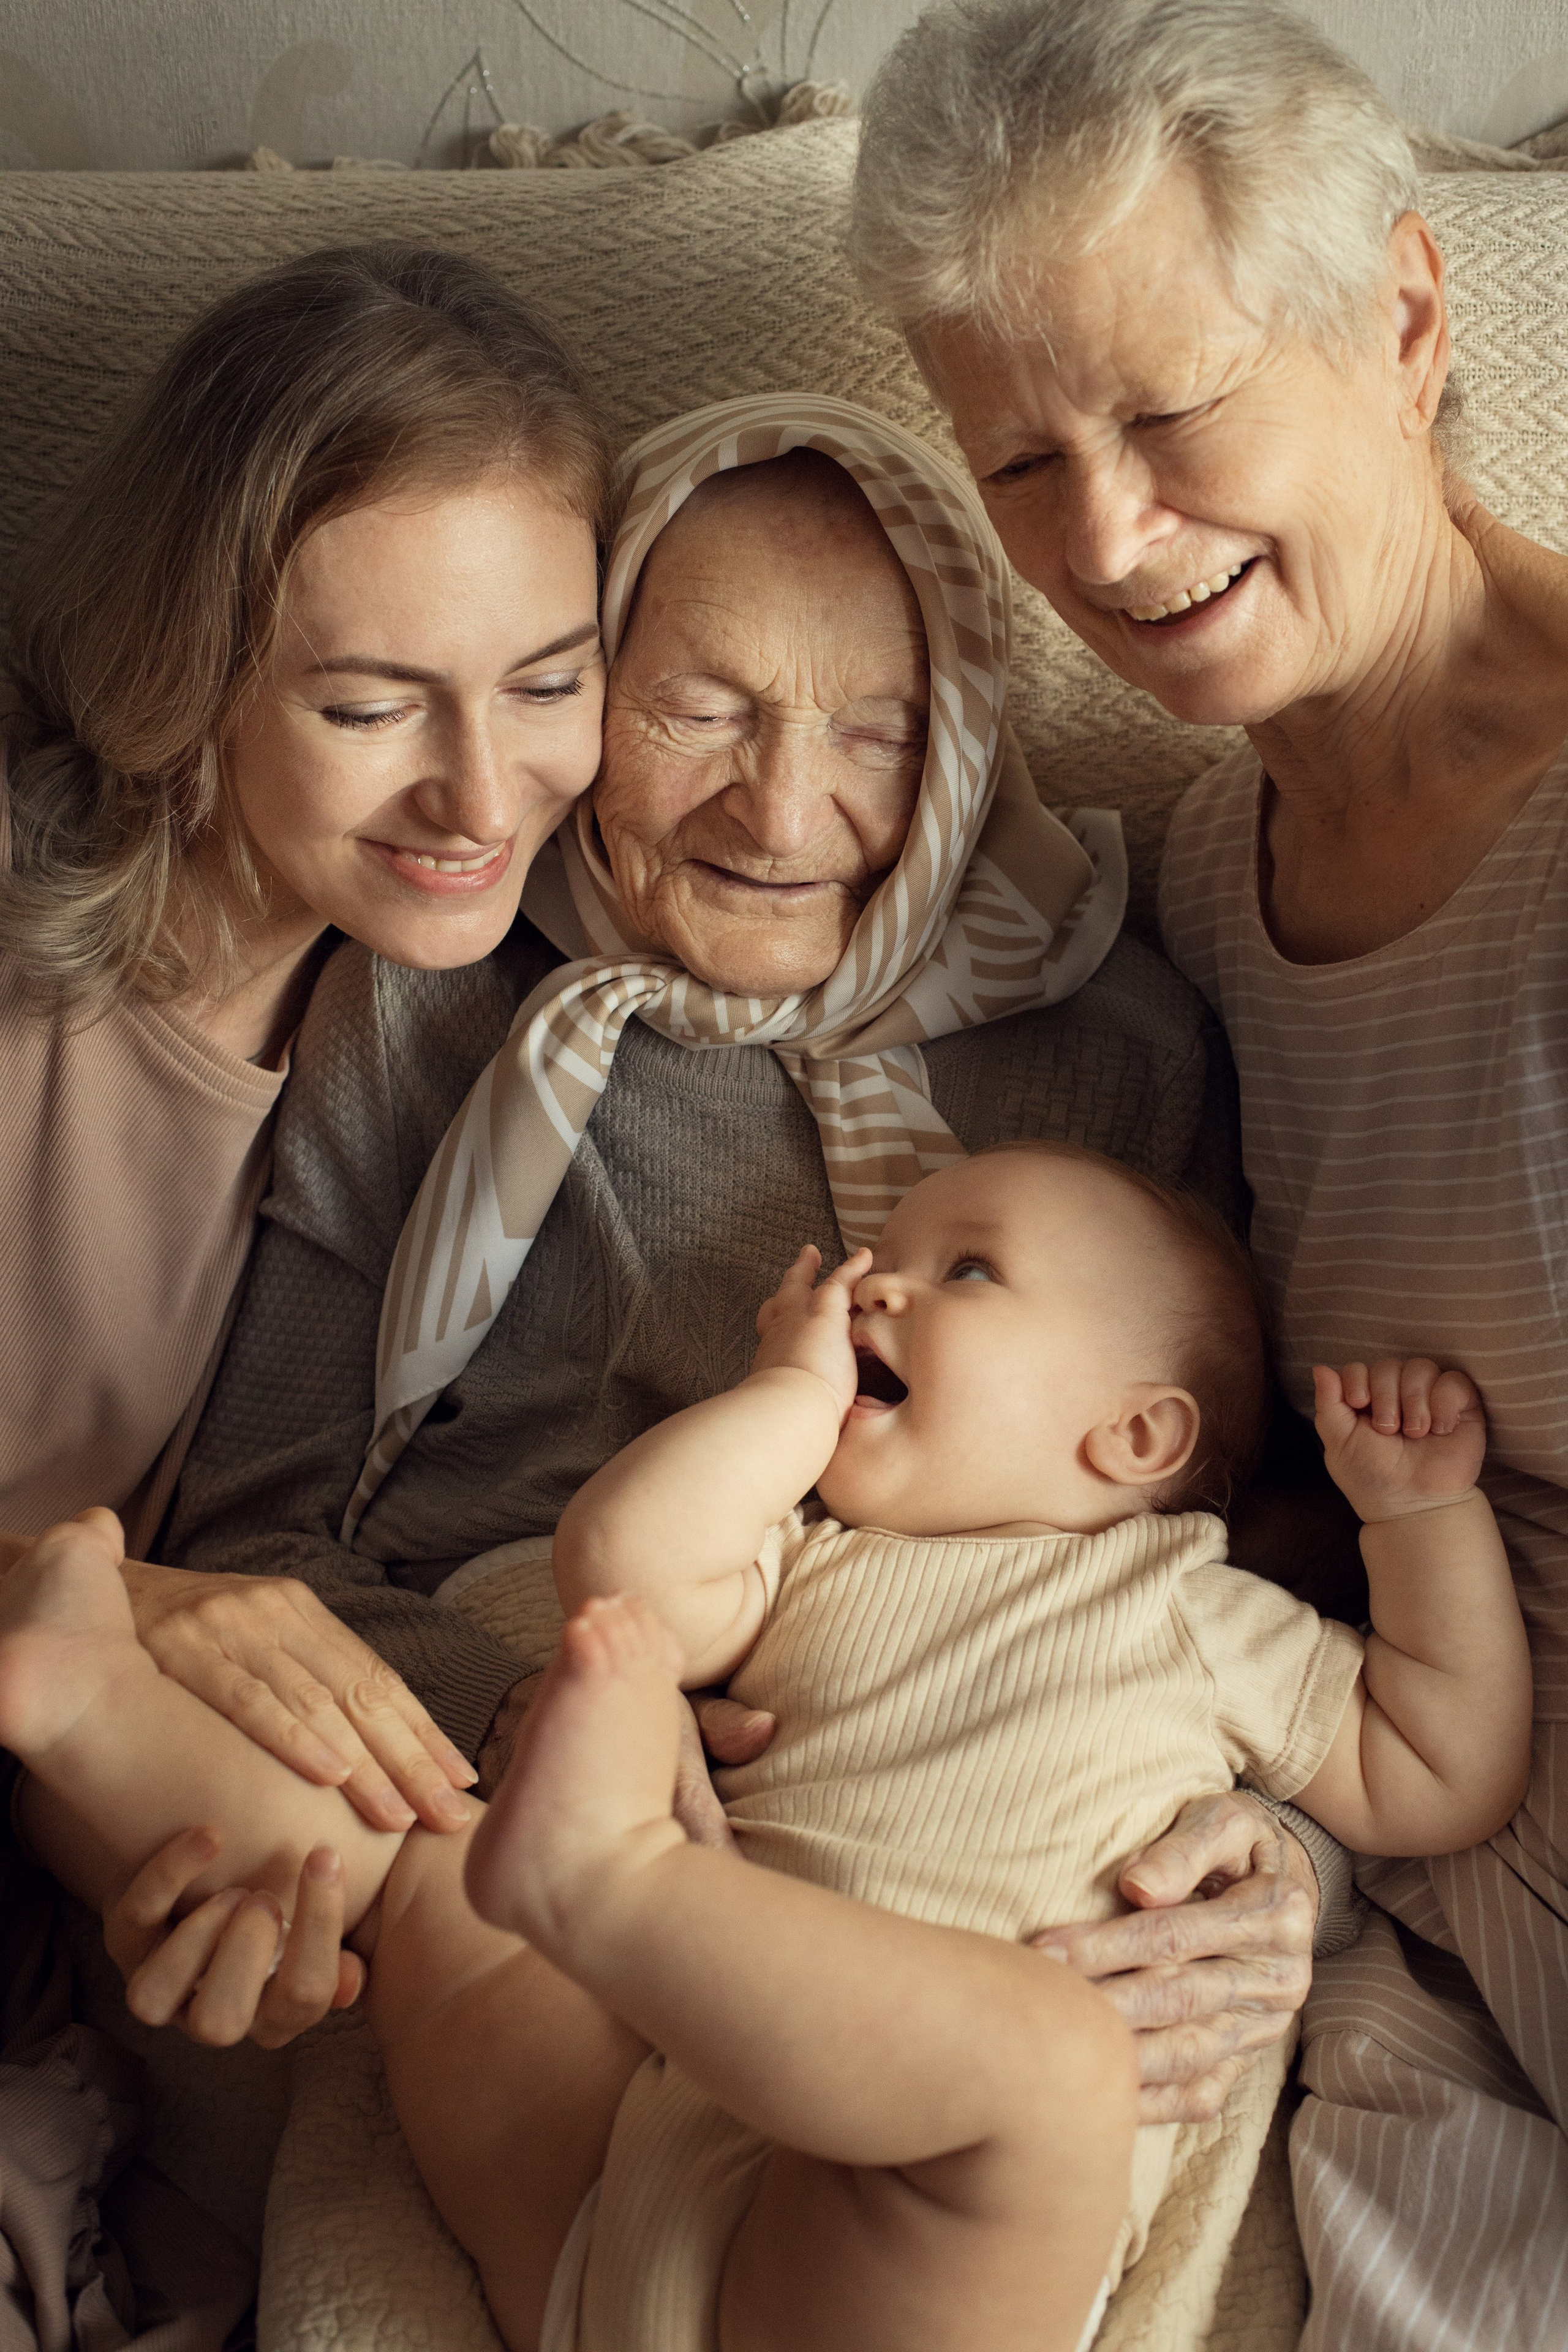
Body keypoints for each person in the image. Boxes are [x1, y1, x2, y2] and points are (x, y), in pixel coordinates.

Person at [151, 398, 1338, 2137]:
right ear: (583, 701)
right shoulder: (427, 1002)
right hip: (484, 1807)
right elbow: (249, 1532)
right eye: (699, 711)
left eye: (878, 729)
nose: (786, 809)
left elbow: (1261, 1534)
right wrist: (561, 1733)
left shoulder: (1123, 1048)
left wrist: (1281, 1855)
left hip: (981, 1840)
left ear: (960, 745)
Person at [0, 1141, 1530, 2352]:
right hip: (630, 2164)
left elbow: (1442, 1770)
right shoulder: (803, 1561)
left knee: (1049, 2064)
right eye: (881, 1258)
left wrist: (1420, 1517)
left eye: (967, 1270)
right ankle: (80, 1707)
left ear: (1133, 1438)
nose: (874, 1287)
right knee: (433, 1884)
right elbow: (621, 1575)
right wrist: (782, 1400)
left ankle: (605, 1883)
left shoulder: (1193, 1610)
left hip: (885, 2261)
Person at [851, 0, 1568, 2339]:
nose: (1111, 540)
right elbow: (1230, 1476)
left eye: (1167, 414)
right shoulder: (1176, 891)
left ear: (1409, 315)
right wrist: (1259, 1814)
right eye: (1023, 464)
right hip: (1437, 1888)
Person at [0, 240, 611, 2016]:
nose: (483, 797)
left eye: (549, 680)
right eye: (367, 706)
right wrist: (119, 1606)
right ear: (186, 675)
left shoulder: (462, 1014)